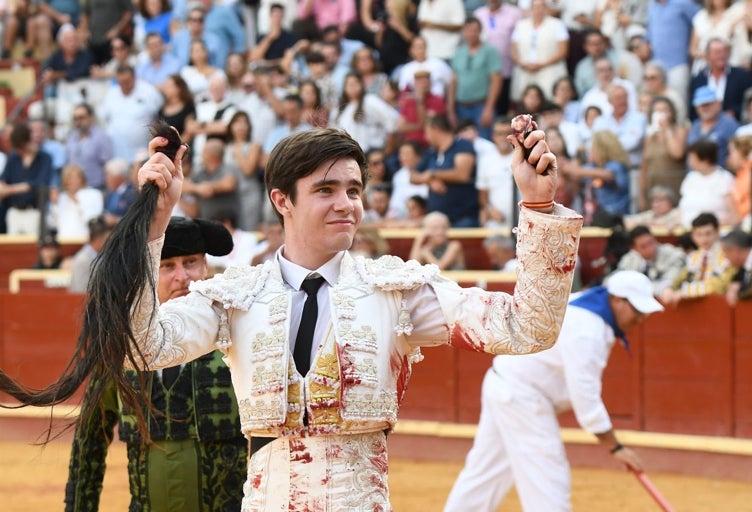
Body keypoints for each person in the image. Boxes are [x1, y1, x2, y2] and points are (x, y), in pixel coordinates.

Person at [122, 123, 580, 510]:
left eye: (354, 189)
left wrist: (538, 206)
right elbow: (143, 345)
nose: (347, 204)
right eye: (326, 190)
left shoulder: (398, 292)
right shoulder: (238, 296)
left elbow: (528, 327)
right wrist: (155, 225)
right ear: (283, 201)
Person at [64, 216, 245, 512]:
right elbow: (89, 441)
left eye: (191, 263)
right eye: (167, 266)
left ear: (206, 268)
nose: (182, 276)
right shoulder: (121, 345)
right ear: (147, 273)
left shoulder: (235, 337)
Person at [443, 270, 659, 511]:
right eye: (638, 312)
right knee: (548, 476)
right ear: (618, 300)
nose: (640, 319)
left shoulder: (585, 303)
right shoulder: (588, 330)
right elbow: (584, 394)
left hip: (504, 383)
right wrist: (615, 446)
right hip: (522, 396)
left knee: (485, 473)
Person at [661, 212, 735, 306]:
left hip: (718, 307)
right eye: (699, 234)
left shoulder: (727, 254)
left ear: (717, 233)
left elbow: (721, 285)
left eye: (708, 234)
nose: (704, 239)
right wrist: (669, 288)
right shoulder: (694, 257)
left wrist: (685, 292)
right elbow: (680, 278)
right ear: (693, 236)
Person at [67, 216, 112, 293]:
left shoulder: (99, 256)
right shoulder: (82, 260)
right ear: (99, 239)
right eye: (107, 239)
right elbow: (81, 293)